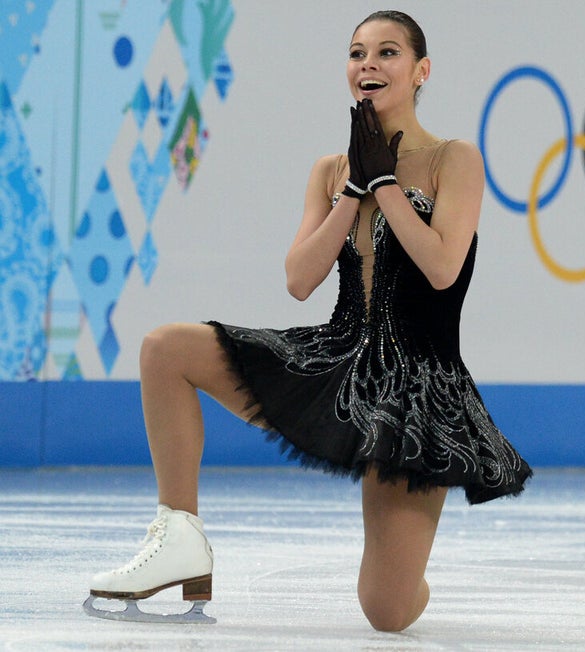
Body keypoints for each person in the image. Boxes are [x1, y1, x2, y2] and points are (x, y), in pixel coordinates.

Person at [83, 10, 532, 631]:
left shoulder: (453, 160)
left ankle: (411, 572)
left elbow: (441, 269)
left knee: (387, 610)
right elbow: (299, 281)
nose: (368, 64)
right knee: (165, 349)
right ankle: (179, 534)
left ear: (420, 70)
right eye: (357, 53)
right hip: (337, 360)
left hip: (414, 390)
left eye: (387, 52)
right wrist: (353, 188)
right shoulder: (331, 171)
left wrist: (386, 182)